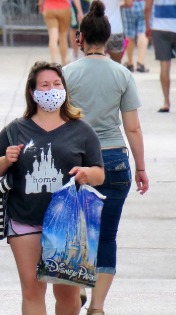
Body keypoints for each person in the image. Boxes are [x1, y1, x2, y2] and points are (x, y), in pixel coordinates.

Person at [0, 61, 104, 314]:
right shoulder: (16, 129)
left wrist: (86, 174)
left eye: (57, 84)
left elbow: (99, 174)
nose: (52, 90)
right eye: (45, 85)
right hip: (24, 220)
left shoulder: (81, 130)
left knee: (67, 294)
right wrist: (6, 159)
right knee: (32, 289)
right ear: (33, 92)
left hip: (68, 223)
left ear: (65, 89)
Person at [64, 2, 149, 313]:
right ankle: (97, 305)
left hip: (76, 160)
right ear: (109, 37)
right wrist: (140, 168)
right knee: (108, 235)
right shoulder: (122, 74)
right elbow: (134, 128)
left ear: (80, 37)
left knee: (76, 231)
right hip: (114, 159)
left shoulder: (67, 74)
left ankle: (77, 290)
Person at [145, 0, 176, 112]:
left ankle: (166, 102)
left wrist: (148, 26)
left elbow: (147, 7)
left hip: (159, 28)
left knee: (164, 66)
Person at [39, 0, 83, 65]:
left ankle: (53, 62)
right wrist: (80, 11)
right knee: (63, 37)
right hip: (64, 9)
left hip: (49, 8)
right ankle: (63, 62)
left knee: (53, 38)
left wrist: (41, 5)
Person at [122, 0, 149, 72]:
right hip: (143, 4)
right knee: (142, 32)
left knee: (129, 34)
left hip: (129, 5)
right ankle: (140, 63)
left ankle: (130, 63)